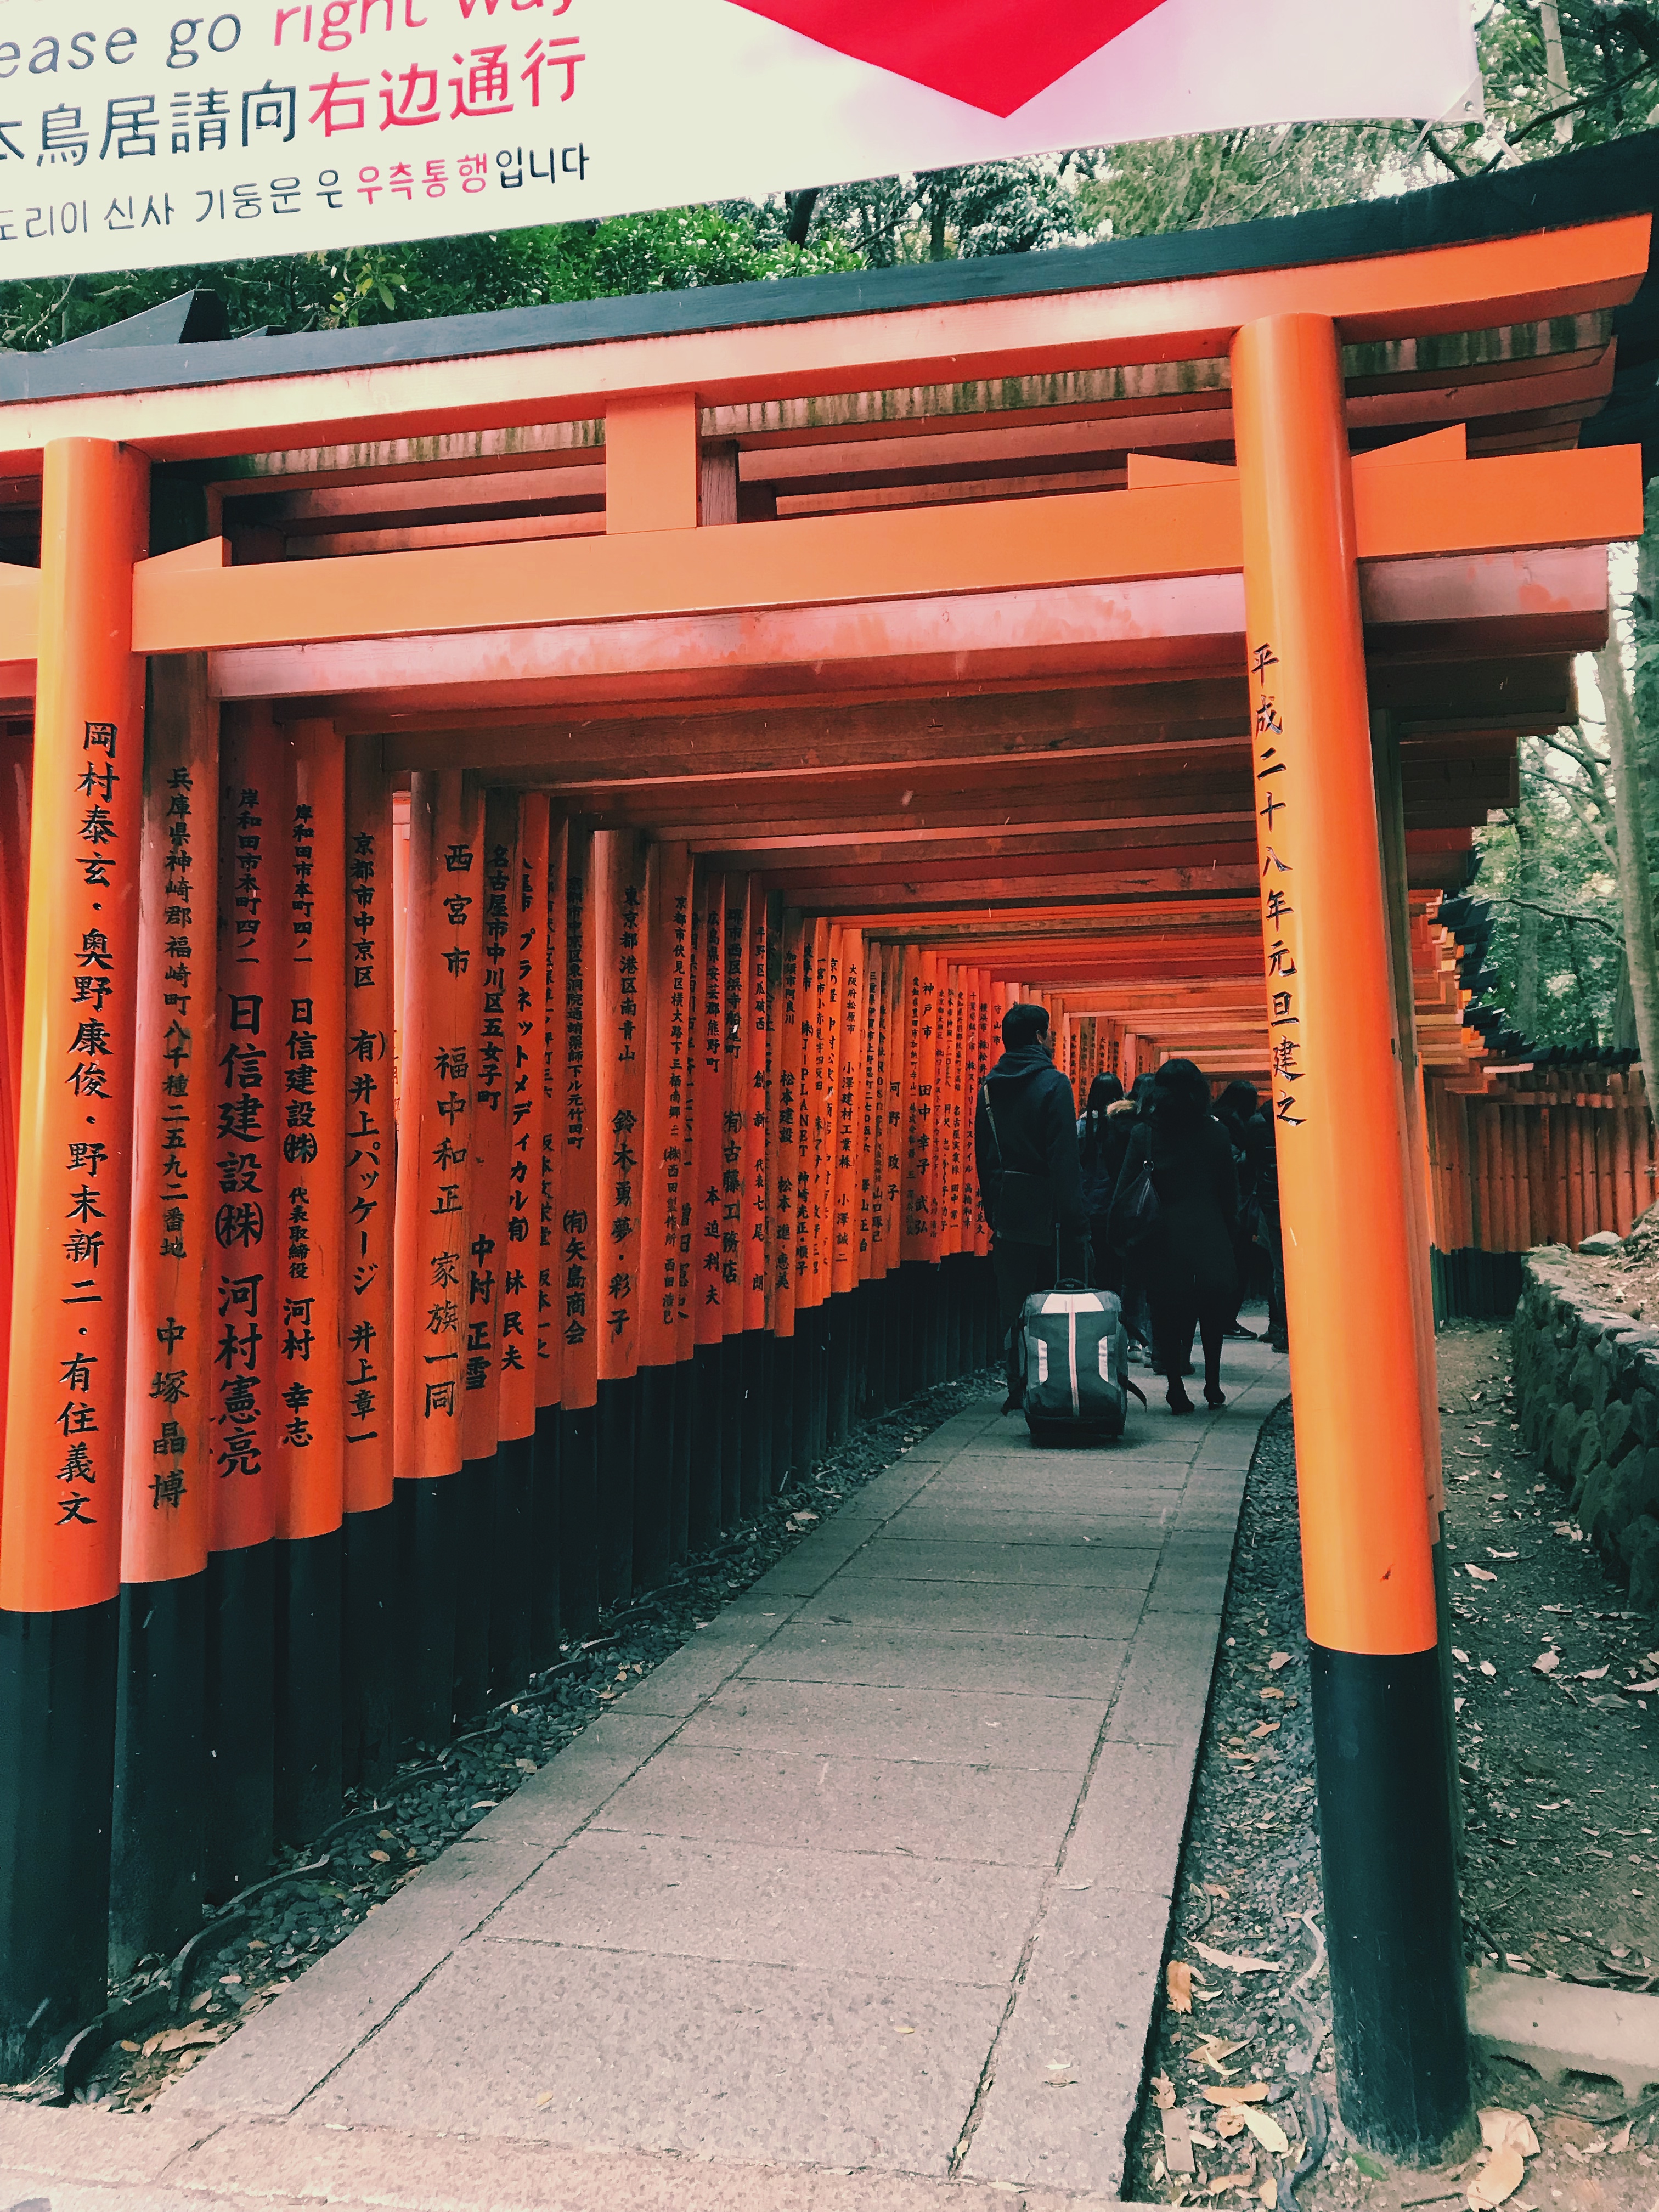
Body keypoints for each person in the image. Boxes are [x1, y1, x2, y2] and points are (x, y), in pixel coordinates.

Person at [973, 1002, 1087, 1410]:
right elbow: (1063, 1157)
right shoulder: (1054, 1084)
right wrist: (1075, 1218)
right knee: (1054, 1299)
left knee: (1015, 1301)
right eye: (1050, 1033)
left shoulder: (988, 1087)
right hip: (1051, 1212)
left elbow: (984, 1156)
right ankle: (1054, 1381)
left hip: (1009, 1207)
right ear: (1040, 1037)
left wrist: (994, 1210)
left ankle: (1017, 1383)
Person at [1109, 1057, 1238, 1415]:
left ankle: (1176, 1388)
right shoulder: (1216, 1133)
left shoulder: (1145, 1134)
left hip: (1162, 1235)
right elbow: (1230, 1191)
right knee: (1211, 1309)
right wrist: (1232, 1233)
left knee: (1166, 1311)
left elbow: (1125, 1190)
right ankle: (1212, 1383)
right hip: (1209, 1231)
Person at [1215, 1079, 1261, 1339]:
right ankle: (1227, 1319)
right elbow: (1236, 1164)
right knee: (1238, 1263)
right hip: (1238, 1205)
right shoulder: (1233, 1125)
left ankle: (1221, 1317)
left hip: (1221, 1206)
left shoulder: (1215, 1120)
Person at [1247, 1103, 1288, 1352]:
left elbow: (1253, 1163)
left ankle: (1281, 1328)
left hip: (1272, 1204)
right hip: (1301, 1202)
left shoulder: (1259, 1122)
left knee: (1281, 1269)